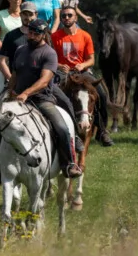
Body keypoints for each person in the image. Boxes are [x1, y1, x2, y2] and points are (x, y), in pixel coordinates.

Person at [8, 19, 84, 178]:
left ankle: (69, 164)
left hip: (42, 100)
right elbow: (15, 74)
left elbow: (44, 81)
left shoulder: (49, 53)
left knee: (62, 128)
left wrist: (26, 93)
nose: (31, 36)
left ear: (43, 35)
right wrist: (10, 92)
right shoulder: (20, 50)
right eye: (30, 32)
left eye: (36, 33)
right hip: (19, 100)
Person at [0, 1, 39, 183]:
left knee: (59, 119)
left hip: (38, 88)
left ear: (36, 16)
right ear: (21, 15)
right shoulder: (12, 36)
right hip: (13, 86)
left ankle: (66, 161)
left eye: (30, 14)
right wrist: (11, 80)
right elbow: (3, 61)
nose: (27, 17)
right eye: (25, 14)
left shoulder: (42, 35)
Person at [51, 3, 114, 147]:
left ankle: (102, 131)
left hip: (83, 72)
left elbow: (91, 60)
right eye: (64, 16)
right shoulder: (55, 36)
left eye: (70, 15)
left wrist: (82, 65)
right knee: (54, 96)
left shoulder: (85, 36)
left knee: (101, 95)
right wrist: (59, 66)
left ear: (76, 17)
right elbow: (49, 57)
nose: (66, 18)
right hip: (62, 73)